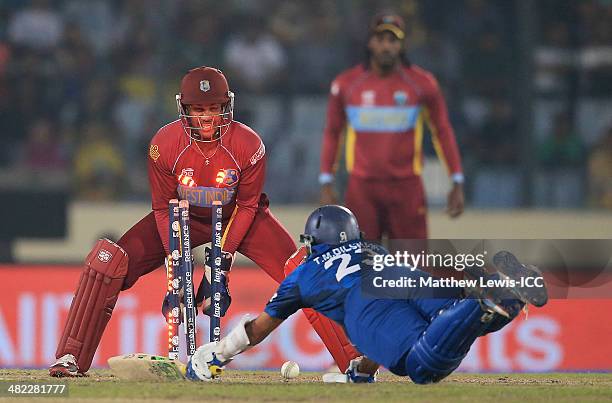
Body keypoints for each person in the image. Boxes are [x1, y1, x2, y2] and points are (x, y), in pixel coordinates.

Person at [49, 67, 359, 377]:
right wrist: (176, 264)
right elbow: (161, 208)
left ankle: (354, 362)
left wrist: (219, 264)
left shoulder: (249, 145)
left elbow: (248, 206)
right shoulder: (163, 145)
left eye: (214, 108)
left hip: (240, 217)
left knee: (303, 273)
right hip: (181, 216)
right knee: (109, 262)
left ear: (227, 106)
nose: (207, 117)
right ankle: (69, 357)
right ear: (183, 108)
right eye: (198, 109)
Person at [185, 205, 548, 384]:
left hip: (390, 320)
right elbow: (380, 333)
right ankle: (505, 298)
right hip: (417, 288)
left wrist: (216, 355)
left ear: (316, 241)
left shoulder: (305, 274)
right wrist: (361, 370)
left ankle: (488, 298)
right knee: (464, 323)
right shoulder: (373, 248)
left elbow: (259, 329)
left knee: (422, 366)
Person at [319, 13, 465, 241]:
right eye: (380, 39)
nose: (386, 46)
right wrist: (326, 181)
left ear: (401, 45)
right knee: (362, 265)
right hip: (362, 189)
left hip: (406, 188)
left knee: (412, 266)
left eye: (392, 40)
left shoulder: (422, 84)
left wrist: (456, 180)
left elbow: (442, 131)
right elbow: (332, 133)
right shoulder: (346, 84)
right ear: (370, 42)